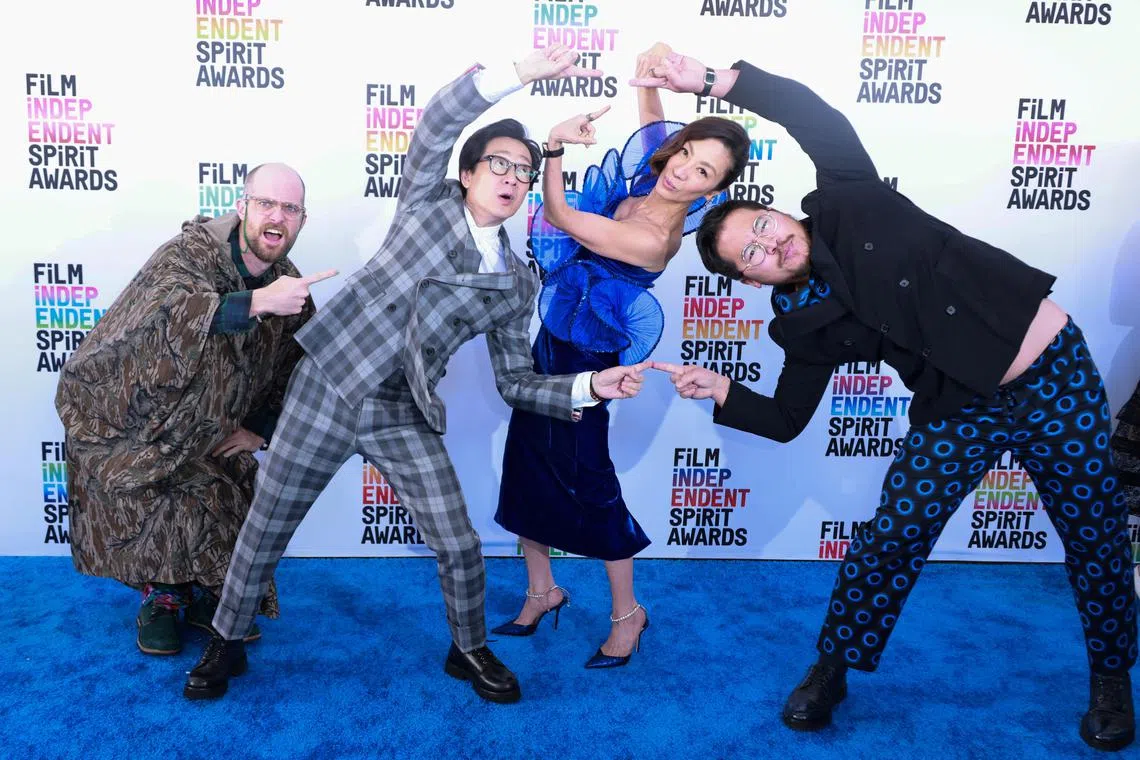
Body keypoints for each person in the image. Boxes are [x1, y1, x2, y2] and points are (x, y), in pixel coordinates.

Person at [637, 49, 1136, 751]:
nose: (766, 245)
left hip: (1055, 376)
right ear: (748, 282)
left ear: (780, 212)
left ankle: (1113, 679)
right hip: (958, 408)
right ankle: (832, 670)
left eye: (761, 227)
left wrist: (711, 81)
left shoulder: (848, 196)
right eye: (747, 255)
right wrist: (721, 389)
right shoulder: (801, 326)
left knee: (1095, 533)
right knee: (892, 537)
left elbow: (809, 112)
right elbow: (784, 420)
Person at [182, 45, 650, 705]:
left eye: (523, 170)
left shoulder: (518, 282)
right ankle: (224, 644)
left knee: (459, 543)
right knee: (266, 526)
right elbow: (435, 125)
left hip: (403, 409)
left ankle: (468, 649)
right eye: (500, 164)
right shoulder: (428, 204)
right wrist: (522, 75)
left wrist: (589, 387)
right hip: (327, 387)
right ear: (467, 173)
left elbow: (516, 383)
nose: (512, 179)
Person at [492, 43, 749, 668]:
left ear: (712, 192)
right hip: (553, 336)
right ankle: (542, 590)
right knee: (526, 460)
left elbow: (558, 213)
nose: (681, 170)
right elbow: (656, 133)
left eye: (701, 172)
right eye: (686, 153)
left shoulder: (653, 235)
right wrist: (649, 77)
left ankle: (629, 614)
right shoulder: (652, 175)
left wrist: (552, 148)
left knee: (589, 478)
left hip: (591, 358)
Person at [55, 163, 328, 657]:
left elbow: (299, 367)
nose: (277, 216)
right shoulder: (189, 253)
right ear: (242, 207)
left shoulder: (290, 286)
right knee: (153, 499)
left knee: (224, 505)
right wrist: (257, 302)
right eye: (266, 203)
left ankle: (203, 593)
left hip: (211, 434)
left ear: (301, 222)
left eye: (290, 209)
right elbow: (161, 318)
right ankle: (161, 598)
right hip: (139, 425)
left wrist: (257, 428)